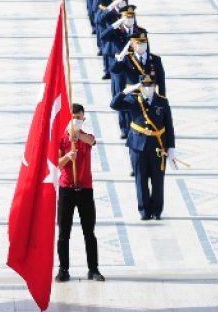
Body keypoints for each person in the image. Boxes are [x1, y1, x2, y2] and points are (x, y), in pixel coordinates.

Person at [111, 76, 175, 219]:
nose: (147, 87)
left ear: (154, 85)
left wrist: (171, 148)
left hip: (157, 146)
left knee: (158, 180)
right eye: (144, 85)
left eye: (150, 84)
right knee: (140, 178)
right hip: (137, 145)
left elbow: (169, 127)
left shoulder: (162, 102)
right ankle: (144, 211)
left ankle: (157, 210)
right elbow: (114, 105)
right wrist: (126, 91)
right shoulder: (133, 99)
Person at [55, 103, 104, 283]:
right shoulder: (61, 139)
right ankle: (63, 269)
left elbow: (91, 141)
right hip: (67, 189)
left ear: (83, 119)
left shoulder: (86, 137)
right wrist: (68, 157)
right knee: (63, 233)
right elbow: (57, 163)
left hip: (85, 190)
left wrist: (78, 135)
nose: (76, 120)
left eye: (79, 118)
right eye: (73, 117)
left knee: (89, 231)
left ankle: (93, 268)